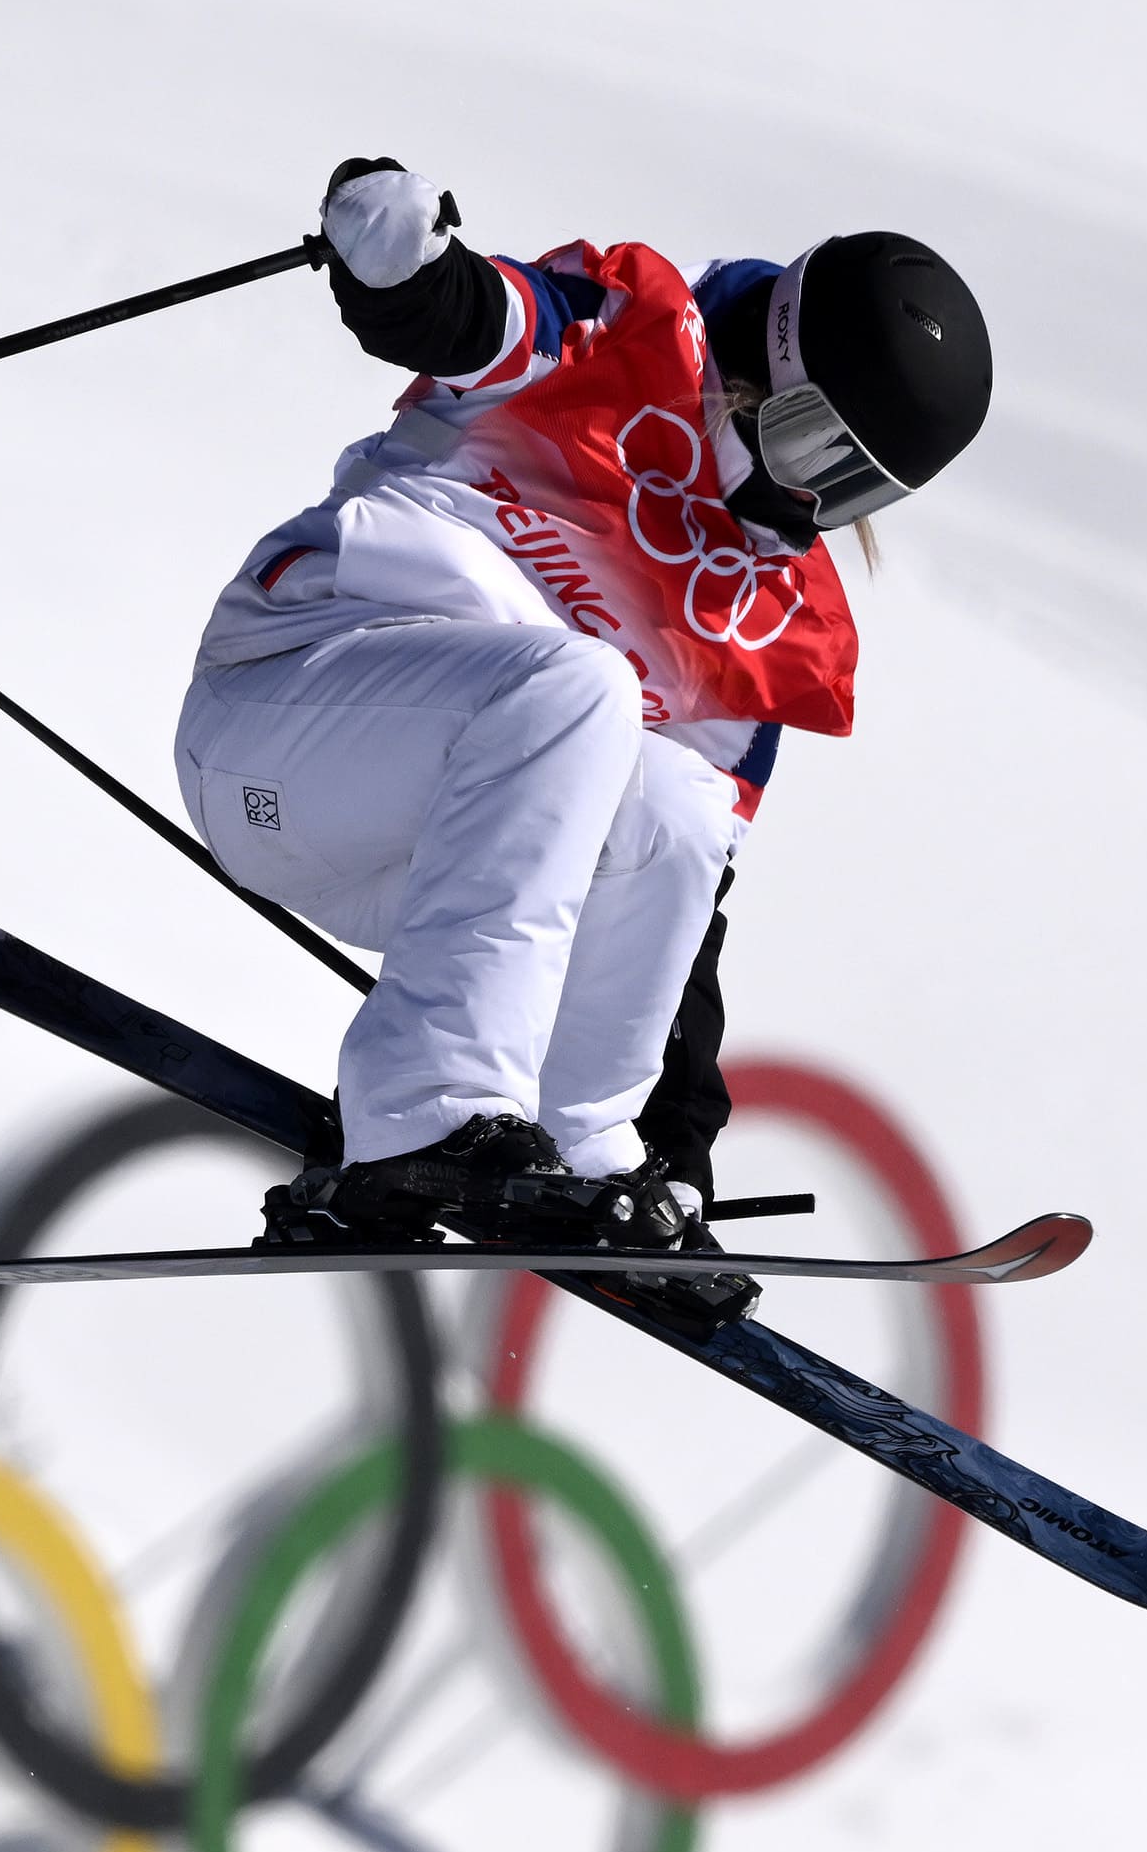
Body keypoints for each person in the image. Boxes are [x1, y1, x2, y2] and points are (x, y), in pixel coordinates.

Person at [176, 158, 991, 1257]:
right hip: (280, 714)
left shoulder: (765, 617)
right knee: (578, 687)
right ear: (769, 369)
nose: (808, 504)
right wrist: (396, 265)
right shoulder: (624, 333)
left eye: (858, 490)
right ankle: (424, 1110)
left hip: (420, 849)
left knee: (679, 805)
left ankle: (583, 1146)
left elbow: (681, 910)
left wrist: (674, 1161)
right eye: (815, 451)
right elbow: (472, 318)